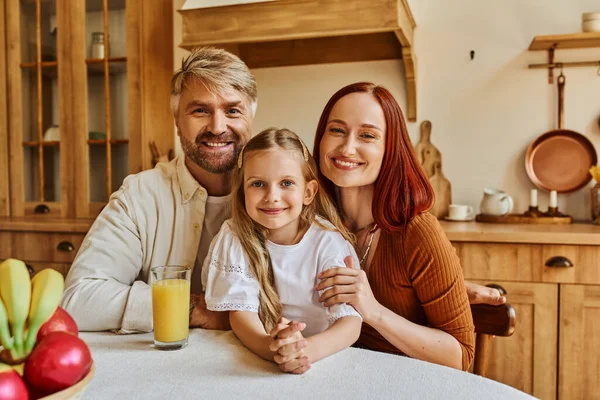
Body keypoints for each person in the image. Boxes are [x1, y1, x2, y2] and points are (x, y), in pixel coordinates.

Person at [61, 47, 504, 335]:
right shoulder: (140, 197)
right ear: (177, 120)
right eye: (200, 111)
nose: (218, 126)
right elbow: (78, 301)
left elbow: (335, 262)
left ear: (251, 117)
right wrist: (200, 310)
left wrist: (448, 287)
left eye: (232, 110)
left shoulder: (286, 193)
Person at [304, 82, 475, 371]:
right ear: (320, 139)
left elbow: (460, 357)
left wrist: (373, 312)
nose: (347, 147)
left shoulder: (418, 232)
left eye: (367, 135)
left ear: (390, 149)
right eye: (336, 130)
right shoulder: (307, 221)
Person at [203, 128, 362, 374]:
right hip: (260, 354)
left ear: (308, 192)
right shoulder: (235, 236)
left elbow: (349, 322)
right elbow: (241, 314)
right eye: (258, 184)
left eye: (286, 183)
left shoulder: (327, 243)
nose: (272, 196)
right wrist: (271, 348)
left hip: (322, 359)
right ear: (243, 190)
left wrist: (304, 350)